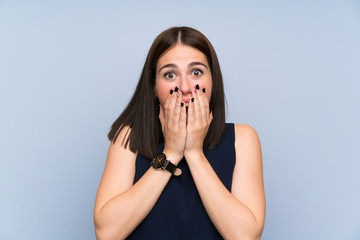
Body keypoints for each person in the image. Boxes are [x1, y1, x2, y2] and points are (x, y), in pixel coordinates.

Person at [93, 26, 265, 240]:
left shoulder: (243, 139)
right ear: (154, 87)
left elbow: (246, 236)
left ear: (213, 80)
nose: (184, 87)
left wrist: (194, 153)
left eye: (196, 72)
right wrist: (171, 153)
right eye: (170, 74)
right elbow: (107, 233)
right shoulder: (128, 137)